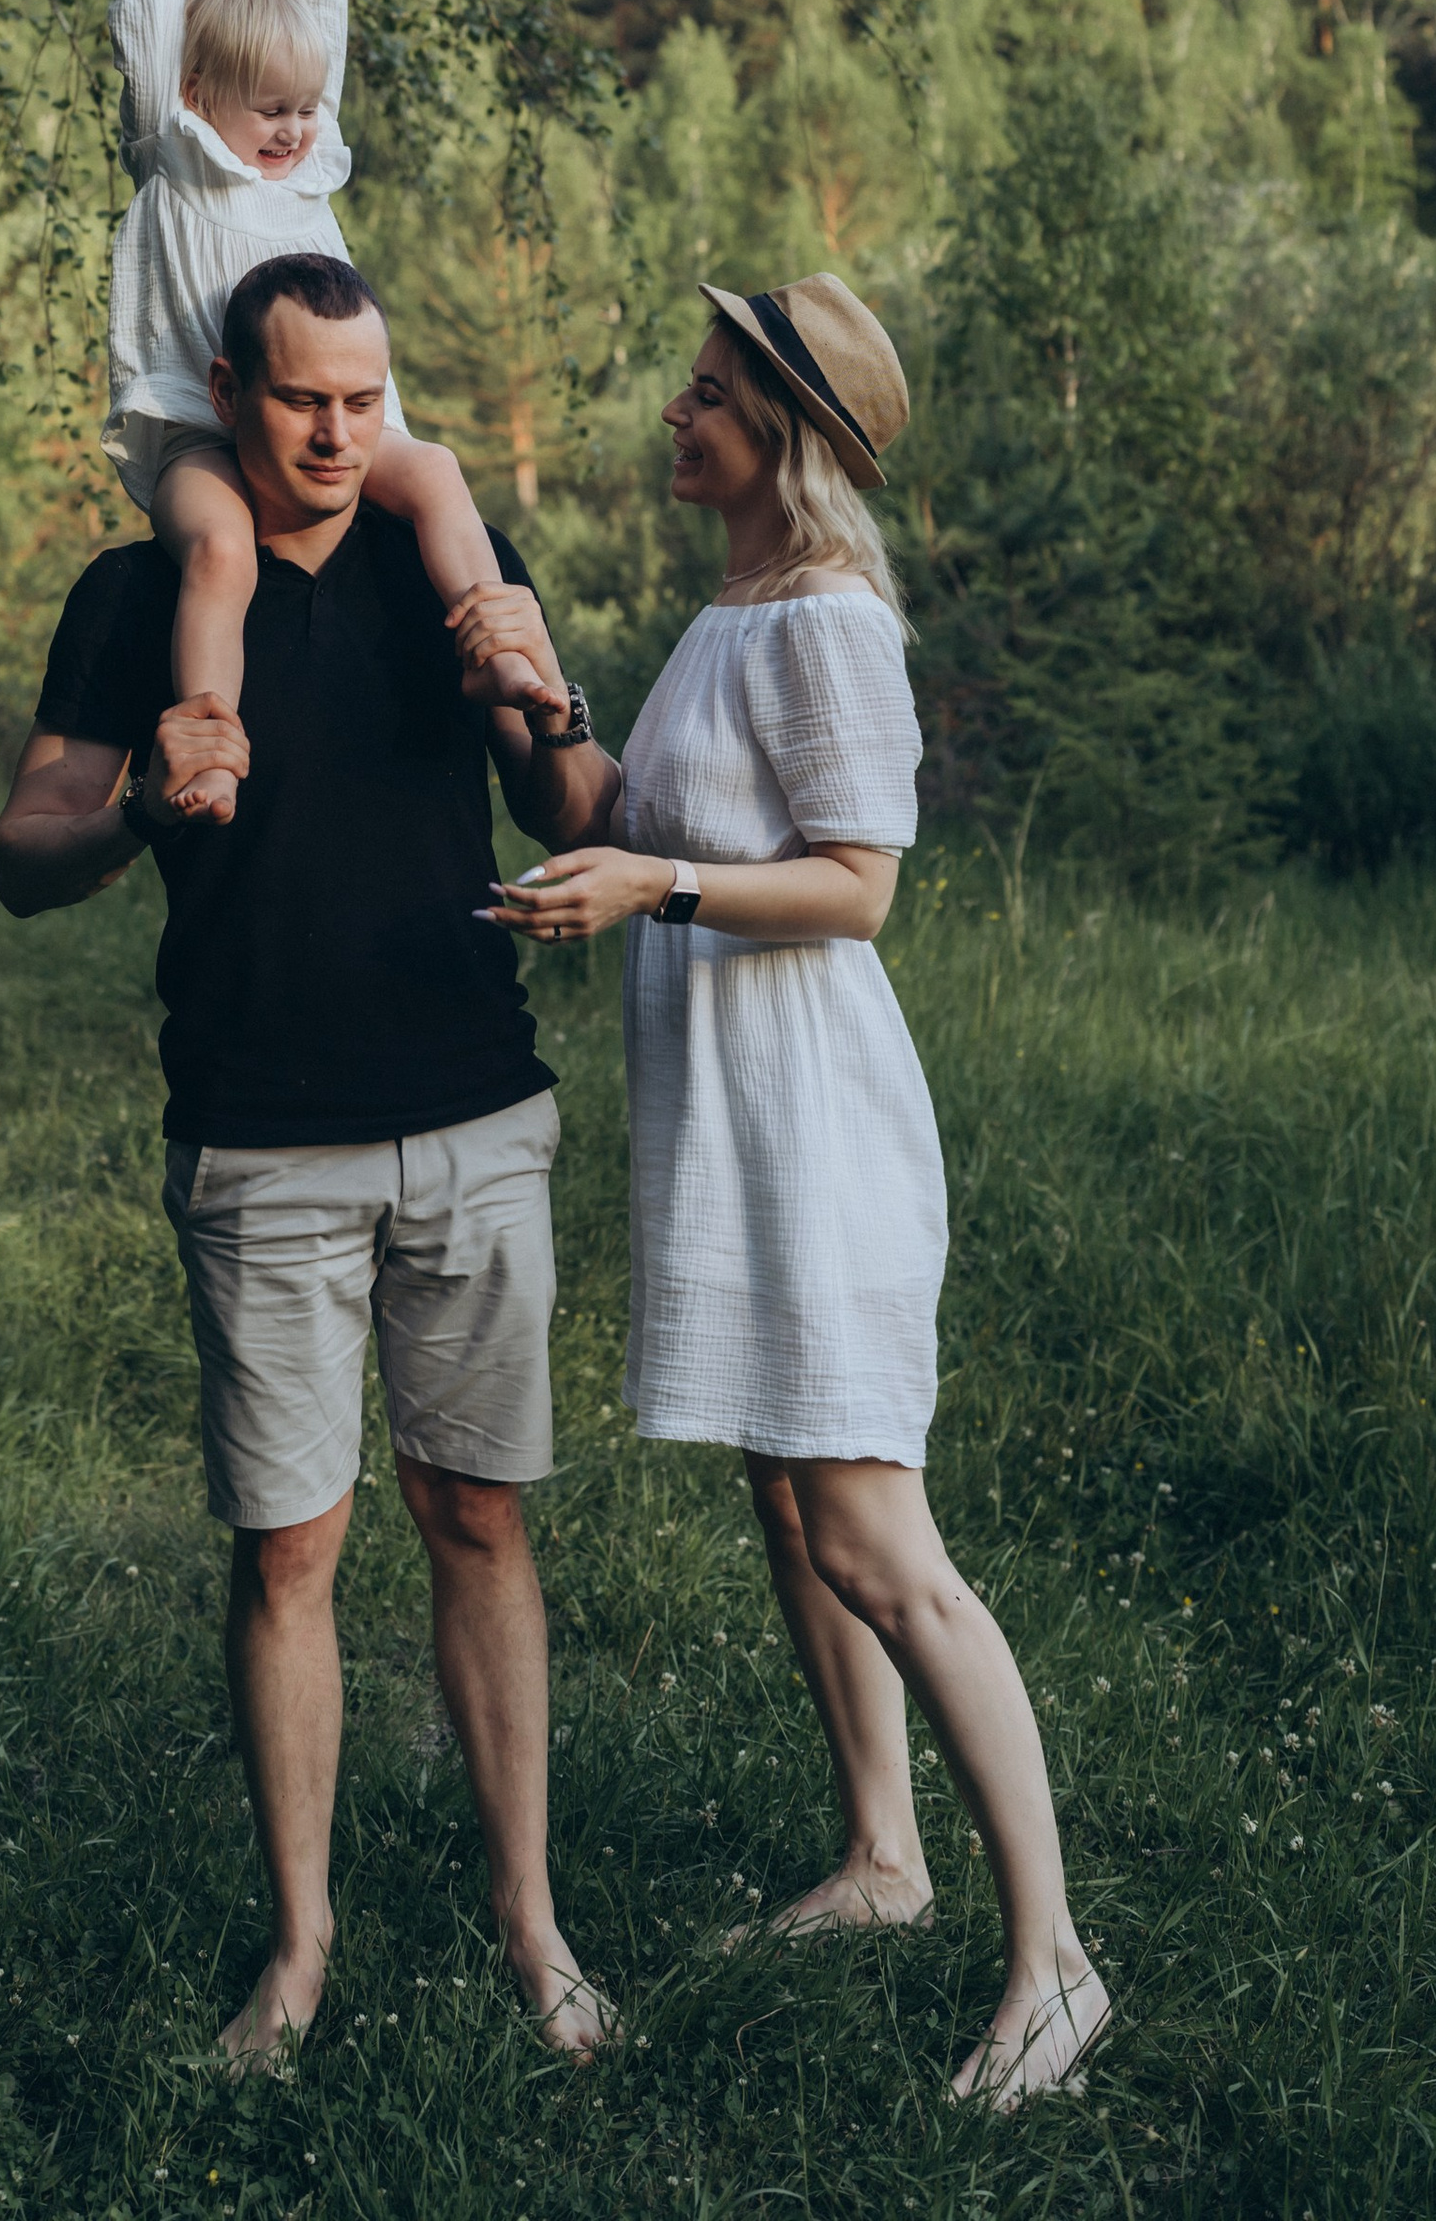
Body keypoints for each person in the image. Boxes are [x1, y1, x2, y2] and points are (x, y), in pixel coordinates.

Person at [469, 273, 1111, 2109]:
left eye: (705, 398)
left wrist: (652, 895)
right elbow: (615, 809)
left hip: (812, 1118)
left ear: (786, 438)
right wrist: (532, 695)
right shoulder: (729, 611)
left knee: (877, 1539)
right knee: (788, 1491)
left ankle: (1058, 1971)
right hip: (730, 1123)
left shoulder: (830, 620)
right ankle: (886, 1862)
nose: (675, 417)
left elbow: (853, 885)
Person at [0, 249, 616, 2071]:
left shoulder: (458, 576)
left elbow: (586, 820)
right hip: (260, 1137)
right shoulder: (138, 594)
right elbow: (22, 852)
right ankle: (300, 1955)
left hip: (476, 1115)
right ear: (227, 389)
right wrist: (129, 807)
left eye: (366, 398)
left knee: (478, 1520)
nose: (338, 434)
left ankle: (534, 1929)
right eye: (299, 400)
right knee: (289, 1551)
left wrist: (548, 699)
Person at [107, 0, 541, 818]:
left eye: (306, 112)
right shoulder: (176, 156)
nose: (296, 131)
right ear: (197, 89)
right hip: (197, 434)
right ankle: (210, 746)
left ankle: (500, 654)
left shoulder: (307, 176)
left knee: (434, 470)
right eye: (272, 110)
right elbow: (143, 29)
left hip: (330, 421)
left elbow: (322, 41)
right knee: (219, 553)